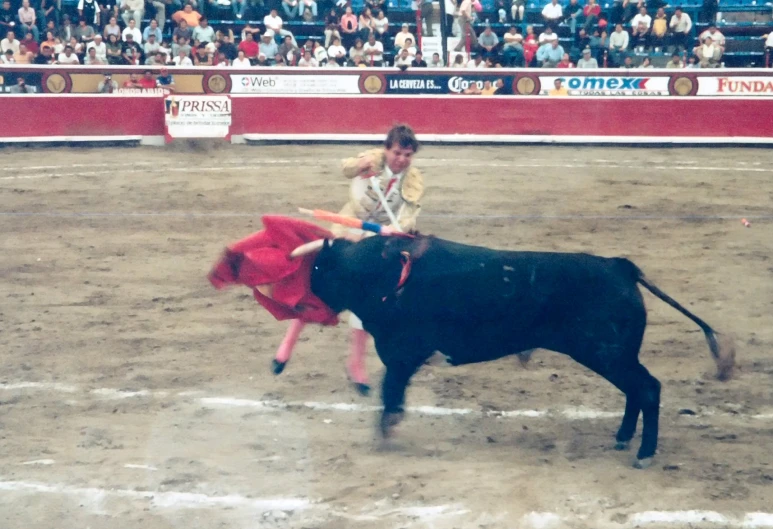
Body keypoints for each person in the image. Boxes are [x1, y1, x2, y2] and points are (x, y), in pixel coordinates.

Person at [273, 124, 425, 395]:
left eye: (407, 155)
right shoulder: (373, 160)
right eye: (397, 153)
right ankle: (286, 345)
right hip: (347, 231)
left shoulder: (413, 180)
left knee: (365, 303)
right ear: (387, 149)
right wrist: (361, 165)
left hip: (379, 243)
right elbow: (346, 169)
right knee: (320, 289)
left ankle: (355, 363)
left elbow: (409, 215)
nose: (401, 159)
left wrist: (398, 230)